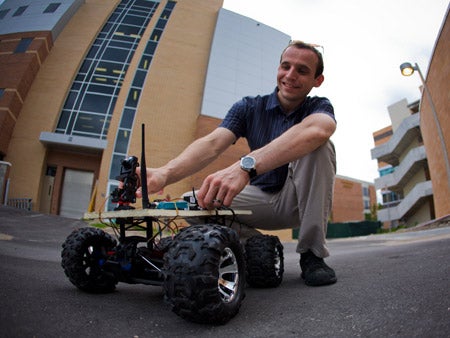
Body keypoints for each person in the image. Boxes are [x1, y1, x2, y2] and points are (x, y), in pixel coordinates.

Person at [137, 40, 337, 286]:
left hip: (298, 201)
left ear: (317, 81)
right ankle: (255, 244)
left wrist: (244, 167)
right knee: (192, 202)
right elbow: (212, 144)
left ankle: (312, 255)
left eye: (302, 70)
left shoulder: (319, 106)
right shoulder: (248, 107)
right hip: (258, 198)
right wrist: (164, 174)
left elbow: (319, 130)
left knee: (320, 146)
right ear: (278, 69)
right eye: (286, 66)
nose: (290, 75)